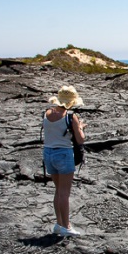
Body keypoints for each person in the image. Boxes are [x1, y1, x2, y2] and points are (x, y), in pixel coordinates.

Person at [43, 86, 86, 237]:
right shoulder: (70, 116)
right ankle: (66, 226)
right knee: (64, 193)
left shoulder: (47, 113)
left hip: (48, 154)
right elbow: (80, 139)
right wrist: (80, 127)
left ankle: (59, 223)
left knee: (58, 190)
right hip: (64, 154)